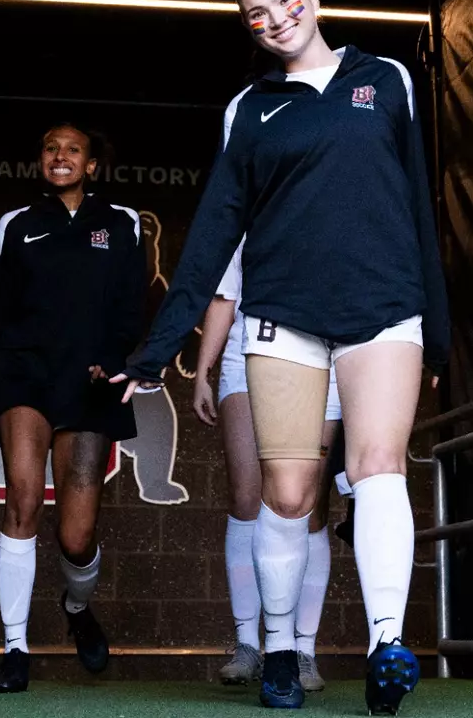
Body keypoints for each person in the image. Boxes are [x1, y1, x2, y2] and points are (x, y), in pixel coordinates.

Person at [113, 0, 449, 714]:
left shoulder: (386, 78)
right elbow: (212, 233)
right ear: (251, 30)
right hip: (283, 319)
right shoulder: (249, 109)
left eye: (286, 2)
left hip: (383, 308)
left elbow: (419, 207)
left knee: (377, 465)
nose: (276, 19)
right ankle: (279, 650)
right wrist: (158, 347)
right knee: (289, 494)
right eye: (257, 15)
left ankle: (385, 645)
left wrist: (441, 332)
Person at [0, 124, 147, 694]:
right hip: (23, 376)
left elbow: (130, 303)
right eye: (50, 148)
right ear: (39, 161)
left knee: (75, 536)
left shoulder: (123, 222)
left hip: (89, 382)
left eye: (73, 149)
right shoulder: (14, 224)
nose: (59, 156)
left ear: (93, 164)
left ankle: (76, 605)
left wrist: (112, 359)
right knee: (22, 499)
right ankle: (15, 648)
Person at [192, 239, 345, 691]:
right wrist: (203, 370)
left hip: (328, 355)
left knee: (306, 504)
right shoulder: (251, 216)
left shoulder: (342, 205)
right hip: (249, 352)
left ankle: (303, 649)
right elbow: (225, 297)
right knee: (246, 498)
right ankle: (248, 644)